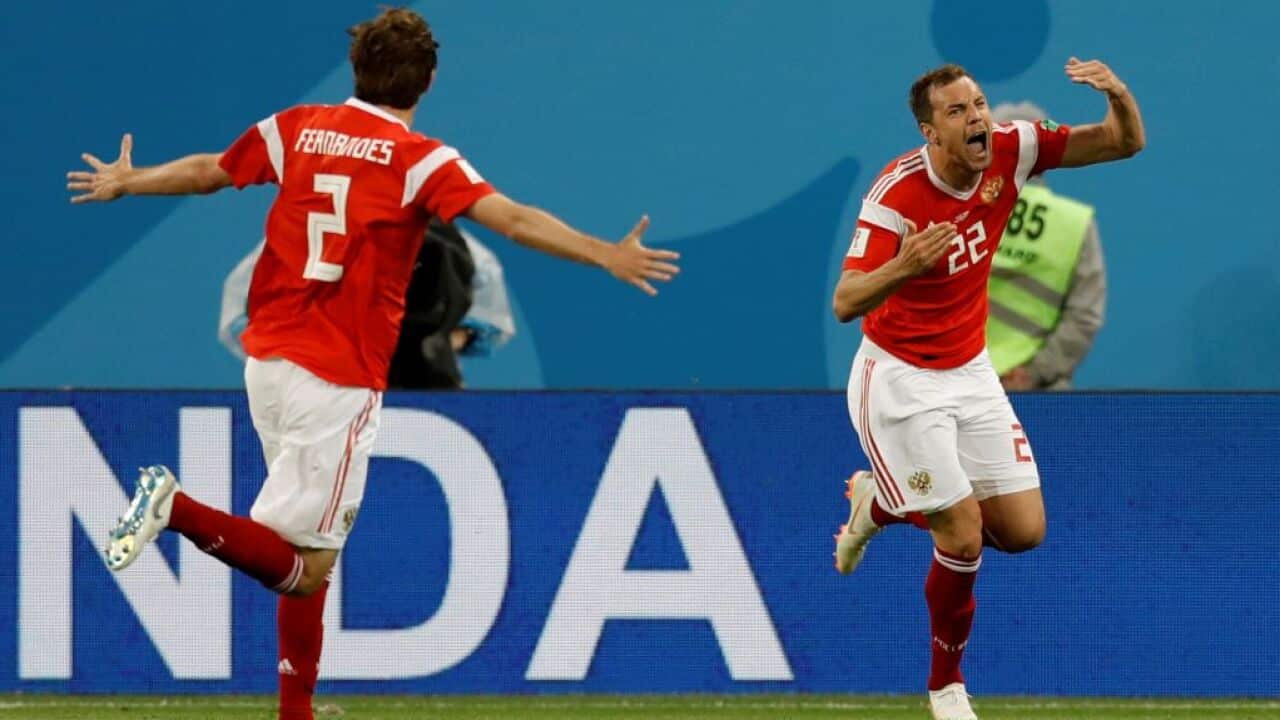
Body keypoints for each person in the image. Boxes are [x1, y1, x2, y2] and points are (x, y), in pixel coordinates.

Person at [66, 8, 679, 720]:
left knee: (308, 538)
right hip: (338, 372)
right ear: (430, 80)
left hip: (267, 358)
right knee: (307, 566)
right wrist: (604, 251)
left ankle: (296, 709)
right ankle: (174, 506)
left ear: (355, 68)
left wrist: (129, 181)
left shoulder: (298, 127)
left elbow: (211, 172)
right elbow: (509, 218)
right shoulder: (422, 159)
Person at [830, 60, 1143, 719]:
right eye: (957, 111)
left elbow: (1122, 143)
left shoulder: (1011, 148)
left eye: (977, 104)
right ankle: (946, 688)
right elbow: (844, 301)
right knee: (963, 533)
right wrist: (904, 265)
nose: (976, 117)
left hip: (969, 371)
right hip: (899, 378)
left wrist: (1118, 96)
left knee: (1023, 532)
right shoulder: (897, 196)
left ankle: (878, 502)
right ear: (930, 132)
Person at [220, 219, 517, 389]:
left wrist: (442, 338)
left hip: (426, 386)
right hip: (323, 391)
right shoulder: (303, 233)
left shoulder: (441, 236)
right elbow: (253, 318)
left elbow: (482, 316)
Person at [987, 101, 1107, 391]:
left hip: (956, 386)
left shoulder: (960, 209)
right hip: (1039, 394)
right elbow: (1084, 318)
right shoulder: (1074, 222)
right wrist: (1030, 375)